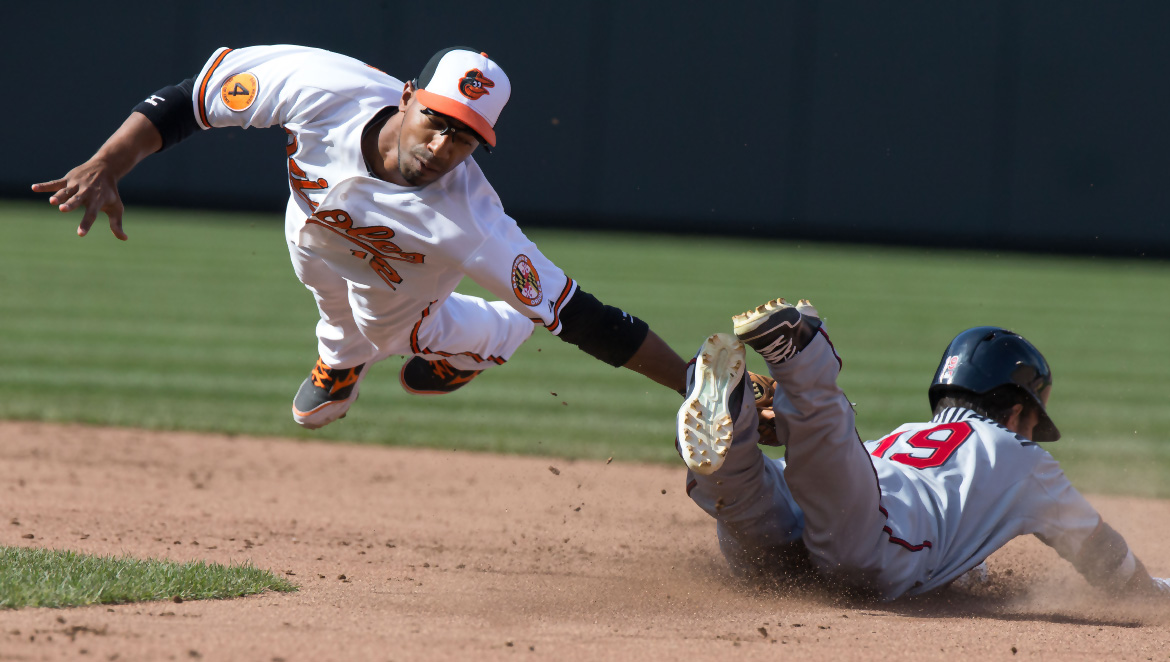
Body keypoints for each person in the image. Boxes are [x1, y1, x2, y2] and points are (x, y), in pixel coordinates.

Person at [32, 45, 686, 427]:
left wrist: (690, 382)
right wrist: (108, 162)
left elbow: (584, 317)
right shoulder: (322, 87)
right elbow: (189, 101)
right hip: (312, 223)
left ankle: (496, 333)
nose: (442, 145)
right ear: (407, 96)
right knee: (314, 268)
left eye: (464, 138)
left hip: (401, 275)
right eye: (436, 120)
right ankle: (341, 359)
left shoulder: (472, 221)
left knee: (389, 333)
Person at [675, 297, 1169, 601]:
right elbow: (1102, 552)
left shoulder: (905, 434)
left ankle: (735, 425)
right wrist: (1149, 593)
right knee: (840, 500)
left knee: (758, 497)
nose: (1032, 434)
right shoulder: (1022, 457)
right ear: (1017, 411)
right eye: (1034, 423)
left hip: (821, 522)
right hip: (867, 544)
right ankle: (800, 353)